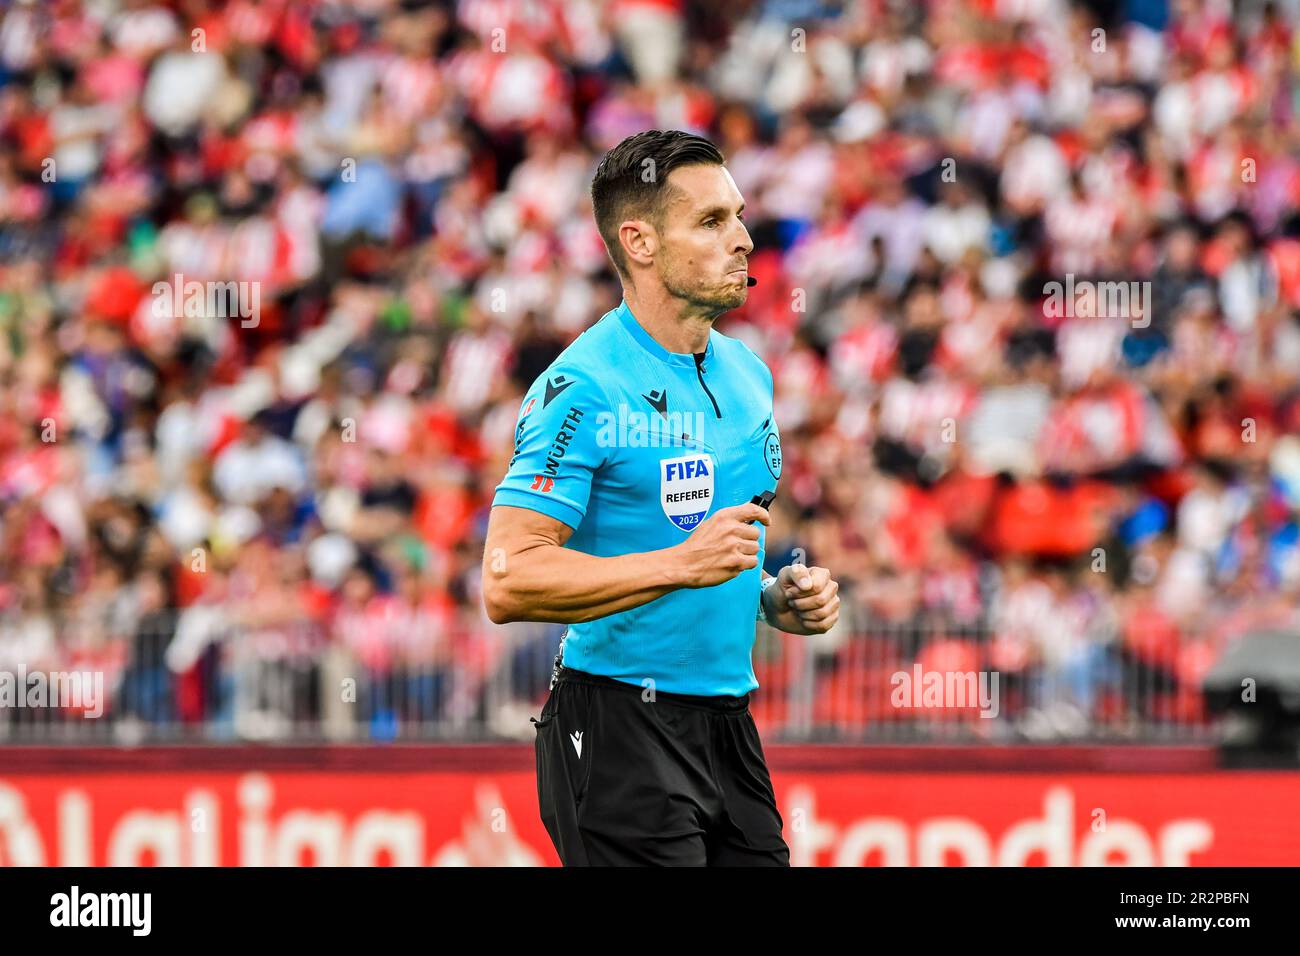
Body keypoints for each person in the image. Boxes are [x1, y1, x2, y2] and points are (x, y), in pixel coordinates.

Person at [481, 130, 841, 866]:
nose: (743, 240)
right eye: (711, 222)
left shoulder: (748, 374)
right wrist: (680, 564)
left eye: (737, 215)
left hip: (728, 724)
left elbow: (709, 554)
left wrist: (769, 597)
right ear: (639, 242)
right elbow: (507, 578)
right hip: (615, 728)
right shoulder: (581, 387)